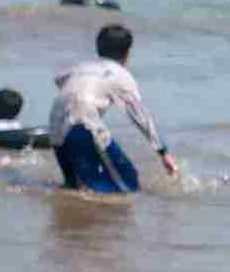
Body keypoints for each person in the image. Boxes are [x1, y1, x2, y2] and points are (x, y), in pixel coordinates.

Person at [49, 23, 178, 193]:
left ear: (98, 48)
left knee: (75, 186)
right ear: (127, 53)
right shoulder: (121, 75)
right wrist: (162, 152)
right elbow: (140, 115)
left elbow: (59, 79)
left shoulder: (81, 67)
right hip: (82, 125)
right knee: (127, 183)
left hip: (55, 125)